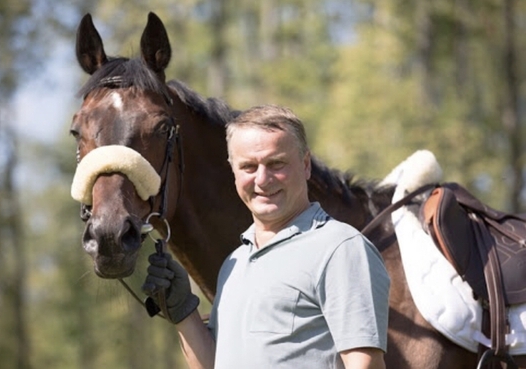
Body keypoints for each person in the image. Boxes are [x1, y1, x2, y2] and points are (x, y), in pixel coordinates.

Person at [142, 105, 390, 369]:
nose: (262, 179)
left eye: (276, 164)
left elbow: (365, 365)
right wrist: (184, 312)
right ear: (233, 171)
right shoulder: (233, 264)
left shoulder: (340, 249)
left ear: (305, 165)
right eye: (248, 167)